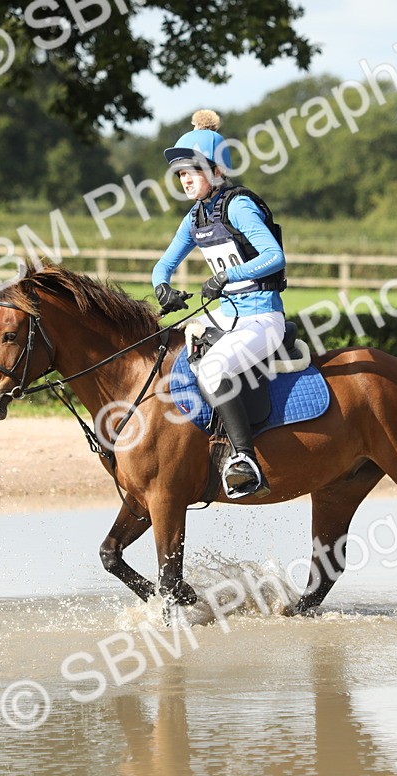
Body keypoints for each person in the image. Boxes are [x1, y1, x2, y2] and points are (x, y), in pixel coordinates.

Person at [152, 109, 287, 499]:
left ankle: (245, 459)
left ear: (216, 170)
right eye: (181, 175)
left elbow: (273, 256)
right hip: (225, 316)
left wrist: (227, 276)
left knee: (212, 368)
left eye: (192, 171)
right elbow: (164, 265)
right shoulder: (195, 216)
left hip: (261, 318)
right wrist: (162, 287)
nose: (185, 180)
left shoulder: (238, 206)